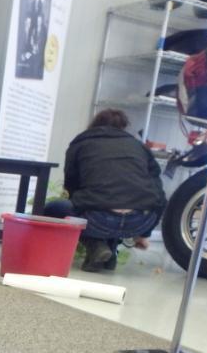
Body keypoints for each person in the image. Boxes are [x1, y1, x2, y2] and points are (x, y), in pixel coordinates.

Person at [45, 109, 166, 272]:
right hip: (140, 221)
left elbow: (71, 187)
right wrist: (145, 234)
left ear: (94, 125)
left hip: (98, 220)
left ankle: (95, 245)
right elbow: (159, 194)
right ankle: (110, 254)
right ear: (122, 127)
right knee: (110, 202)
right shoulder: (140, 147)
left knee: (54, 209)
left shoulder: (80, 144)